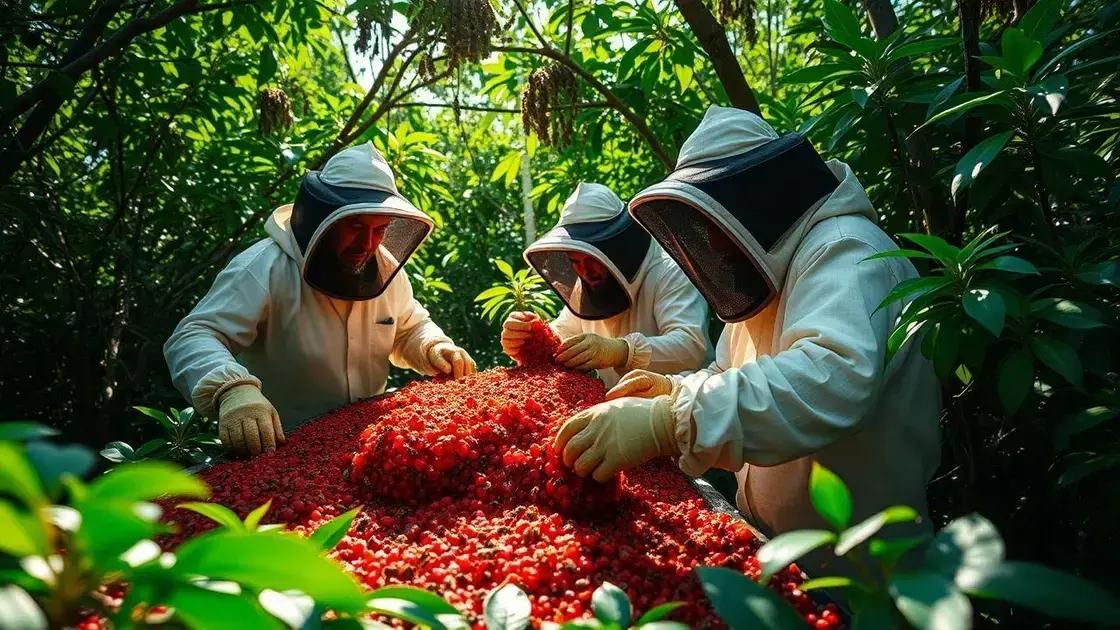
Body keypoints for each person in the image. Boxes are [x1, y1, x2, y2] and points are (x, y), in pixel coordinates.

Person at [553, 106, 941, 569]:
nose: (710, 244)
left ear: (758, 201)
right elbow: (726, 371)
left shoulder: (846, 248)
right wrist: (674, 389)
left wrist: (668, 421)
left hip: (868, 565)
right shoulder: (764, 275)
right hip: (781, 548)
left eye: (713, 225)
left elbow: (831, 375)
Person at [165, 143, 476, 456]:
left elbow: (409, 327)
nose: (367, 244)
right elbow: (192, 336)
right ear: (321, 218)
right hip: (281, 449)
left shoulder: (385, 267)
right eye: (354, 226)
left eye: (379, 230)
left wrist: (432, 346)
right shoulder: (263, 267)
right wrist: (232, 389)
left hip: (368, 445)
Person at [500, 182, 712, 387]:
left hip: (689, 403)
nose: (585, 271)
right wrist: (527, 338)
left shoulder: (670, 272)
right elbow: (563, 338)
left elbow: (690, 347)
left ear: (619, 249)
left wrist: (621, 351)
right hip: (619, 407)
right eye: (576, 262)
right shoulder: (585, 285)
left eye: (593, 258)